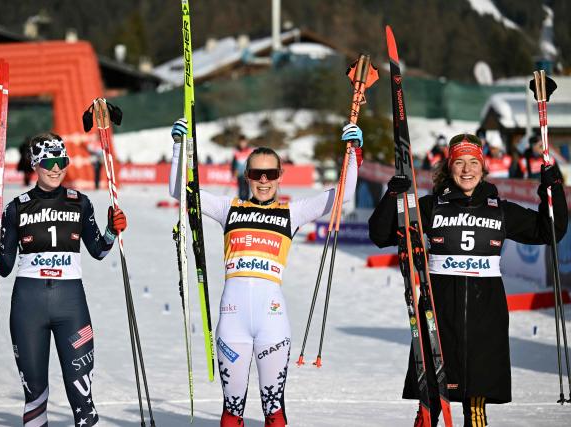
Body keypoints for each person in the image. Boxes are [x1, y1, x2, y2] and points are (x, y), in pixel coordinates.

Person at [169, 118, 363, 427]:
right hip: (233, 323)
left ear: (279, 177)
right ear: (246, 176)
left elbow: (344, 195)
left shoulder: (292, 213)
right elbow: (180, 192)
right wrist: (179, 147)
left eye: (270, 174)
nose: (263, 181)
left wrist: (352, 152)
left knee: (274, 410)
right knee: (232, 411)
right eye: (257, 174)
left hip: (272, 323)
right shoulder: (227, 208)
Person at [368, 134, 567, 426]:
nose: (466, 169)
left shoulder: (499, 209)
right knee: (431, 401)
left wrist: (553, 189)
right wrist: (392, 197)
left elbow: (549, 231)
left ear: (483, 167)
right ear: (449, 167)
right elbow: (381, 235)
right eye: (459, 162)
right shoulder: (430, 206)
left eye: (474, 162)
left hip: (484, 318)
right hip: (438, 314)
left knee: (476, 404)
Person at [0, 133, 127, 426]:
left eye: (62, 161)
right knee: (35, 398)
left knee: (83, 399)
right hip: (27, 308)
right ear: (35, 164)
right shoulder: (15, 208)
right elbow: (2, 267)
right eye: (49, 162)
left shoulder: (80, 203)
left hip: (71, 308)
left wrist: (112, 231)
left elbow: (98, 250)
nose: (56, 169)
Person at [231, 134, 254, 200]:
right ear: (239, 143)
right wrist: (233, 172)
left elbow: (252, 161)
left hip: (247, 173)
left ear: (246, 142)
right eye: (241, 142)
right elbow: (233, 163)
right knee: (241, 189)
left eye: (244, 142)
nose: (243, 144)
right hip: (239, 173)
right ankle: (241, 203)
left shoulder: (249, 150)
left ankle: (246, 203)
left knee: (247, 189)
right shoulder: (236, 151)